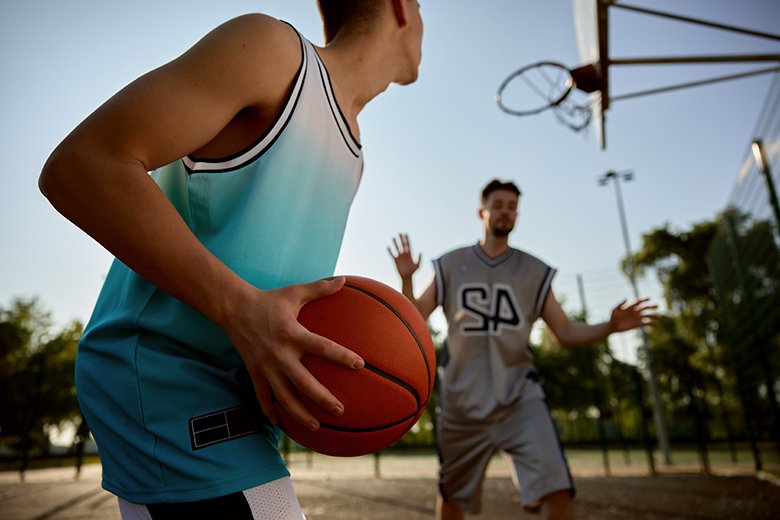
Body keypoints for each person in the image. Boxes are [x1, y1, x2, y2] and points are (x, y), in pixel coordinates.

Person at [39, 1, 423, 518]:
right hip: (169, 379)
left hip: (237, 394)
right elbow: (82, 167)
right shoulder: (273, 53)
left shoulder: (352, 146)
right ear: (400, 6)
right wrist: (242, 310)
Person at [388, 179, 657, 520]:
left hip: (519, 399)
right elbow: (415, 316)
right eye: (498, 204)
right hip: (462, 403)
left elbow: (565, 330)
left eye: (512, 206)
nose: (506, 211)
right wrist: (407, 279)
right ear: (481, 212)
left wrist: (609, 326)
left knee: (557, 494)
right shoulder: (451, 264)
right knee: (453, 499)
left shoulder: (534, 270)